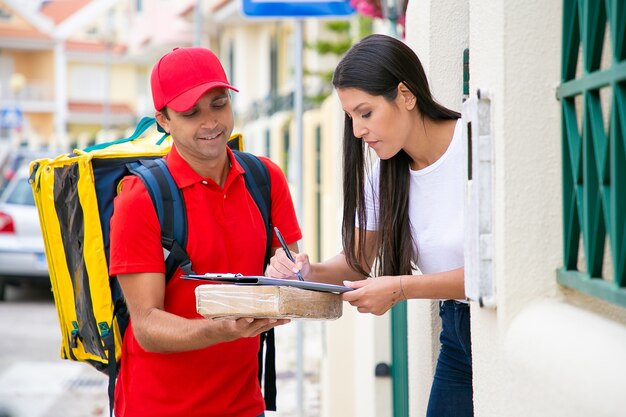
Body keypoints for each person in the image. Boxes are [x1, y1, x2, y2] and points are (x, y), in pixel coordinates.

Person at [266, 34, 472, 417]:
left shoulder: (473, 148)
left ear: (406, 96)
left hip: (492, 329)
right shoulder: (384, 176)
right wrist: (305, 271)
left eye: (366, 113)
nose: (358, 131)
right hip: (457, 336)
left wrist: (399, 288)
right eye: (351, 118)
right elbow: (354, 263)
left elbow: (493, 273)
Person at [109, 47, 302, 417]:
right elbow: (147, 325)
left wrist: (296, 278)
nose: (210, 122)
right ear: (163, 120)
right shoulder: (140, 199)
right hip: (157, 408)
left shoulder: (265, 179)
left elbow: (286, 275)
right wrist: (223, 329)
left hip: (244, 405)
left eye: (218, 103)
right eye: (190, 112)